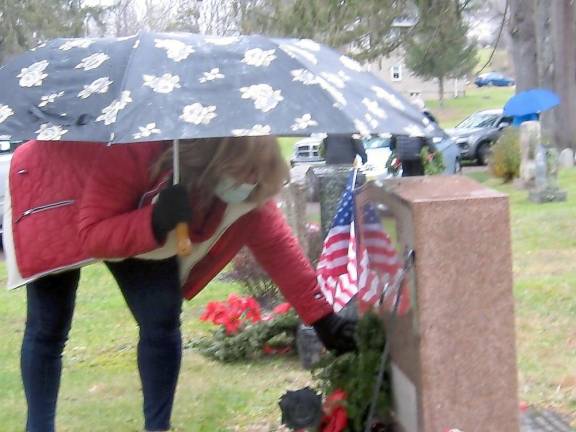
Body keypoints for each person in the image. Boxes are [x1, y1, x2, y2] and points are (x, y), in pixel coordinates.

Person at [4, 136, 356, 432]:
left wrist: (323, 319)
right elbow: (94, 234)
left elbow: (277, 247)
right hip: (53, 186)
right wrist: (155, 221)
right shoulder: (135, 150)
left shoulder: (245, 178)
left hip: (133, 199)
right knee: (48, 326)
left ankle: (158, 428)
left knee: (161, 317)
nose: (249, 183)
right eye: (243, 174)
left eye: (256, 176)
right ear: (214, 162)